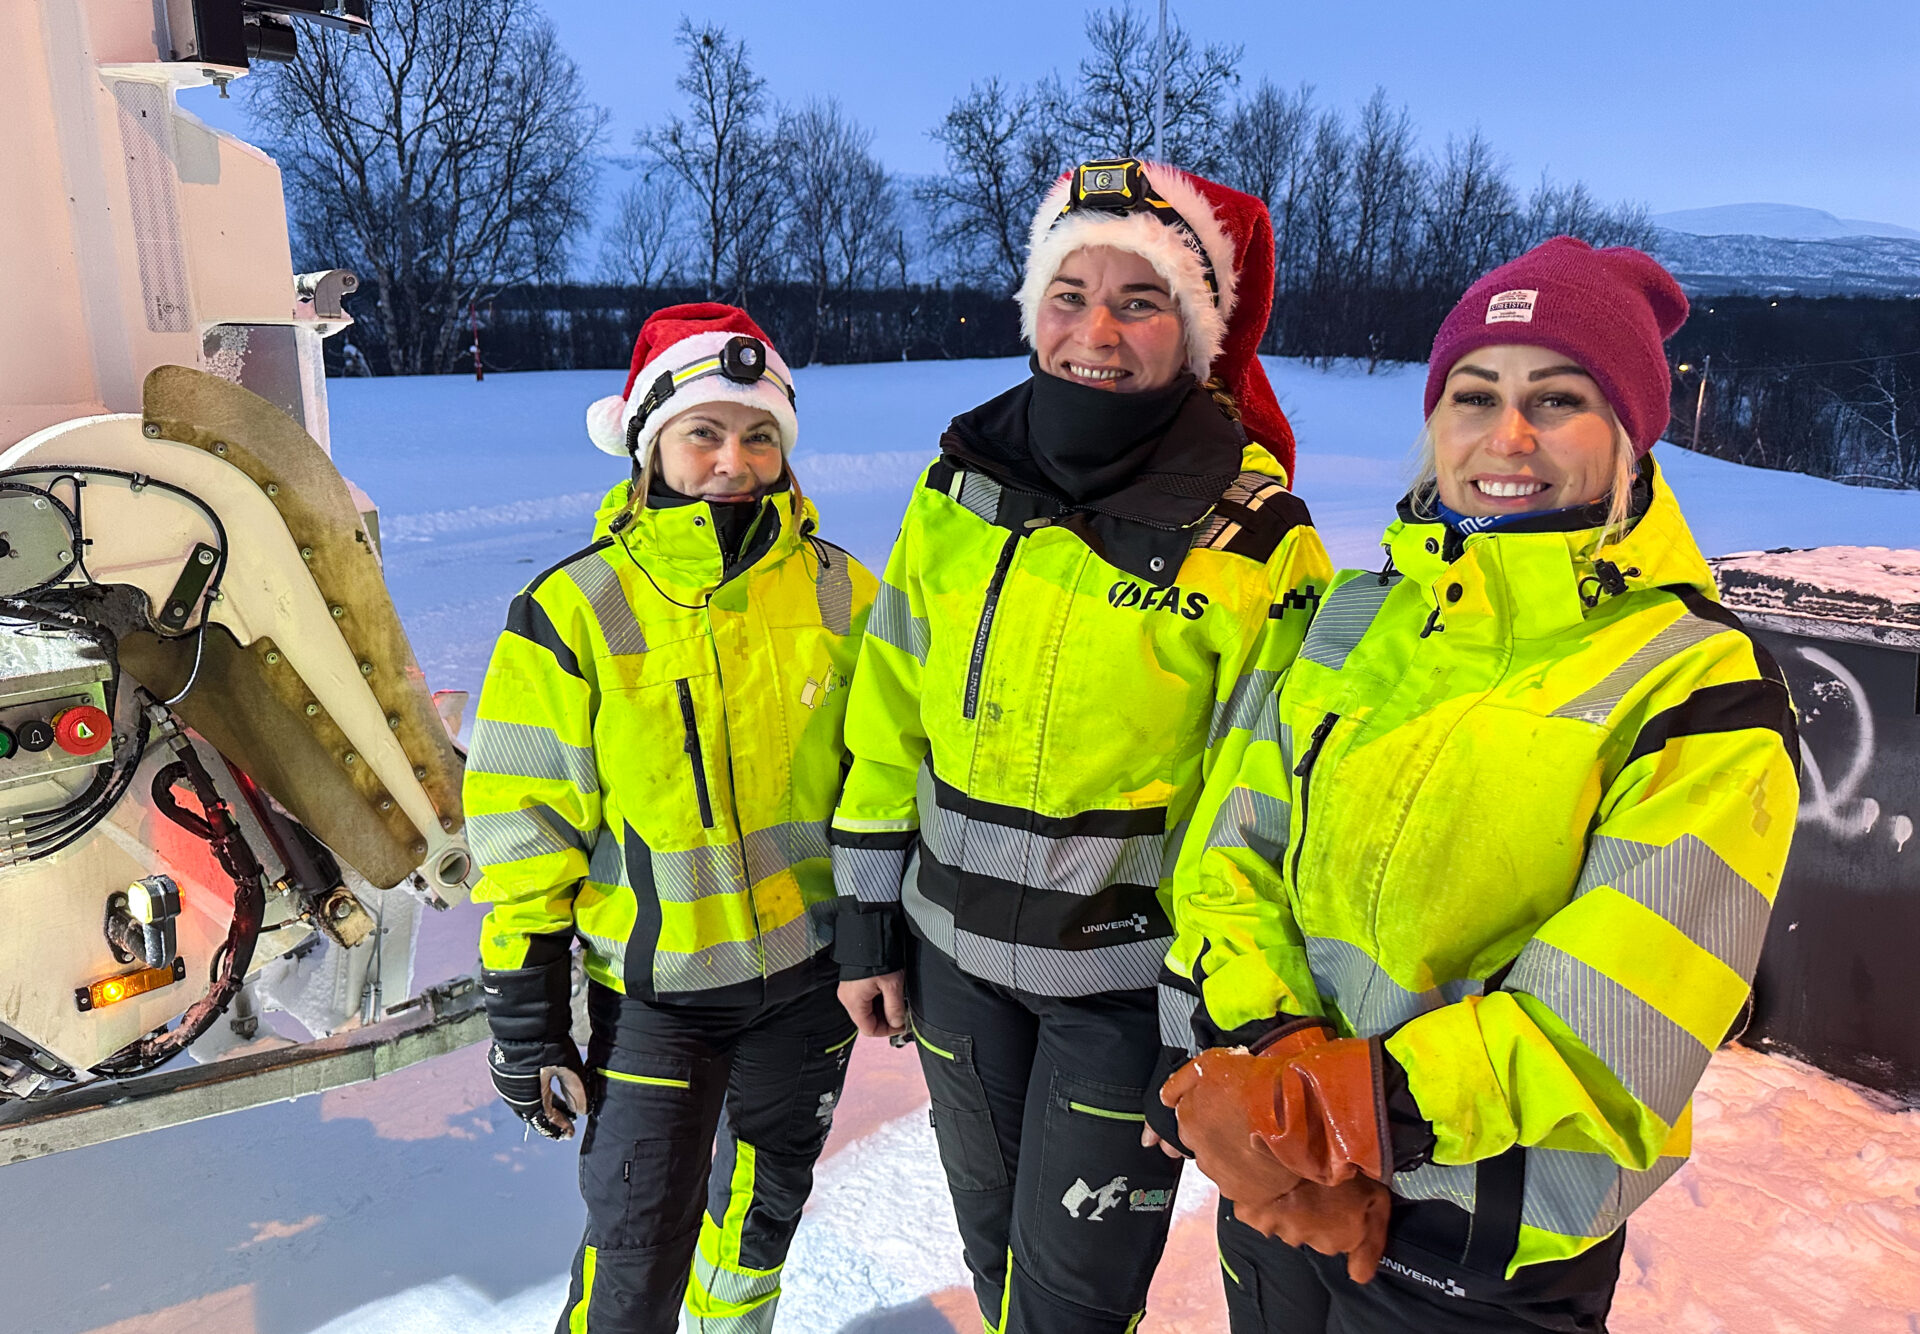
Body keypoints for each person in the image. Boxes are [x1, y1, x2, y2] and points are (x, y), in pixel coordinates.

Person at [1160, 237, 1801, 1333]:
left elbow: (1614, 1023)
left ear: (1630, 434)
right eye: (1474, 393)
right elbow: (1234, 854)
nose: (1507, 437)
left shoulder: (1697, 684)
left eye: (1558, 399)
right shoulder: (1358, 619)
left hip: (1480, 1255)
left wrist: (1332, 1112)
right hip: (1281, 1190)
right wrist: (1274, 1077)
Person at [829, 159, 1335, 1333]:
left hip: (1129, 997)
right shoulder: (960, 481)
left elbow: (1257, 810)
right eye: (1069, 293)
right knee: (997, 1253)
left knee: (1072, 1303)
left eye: (1140, 299)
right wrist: (867, 919)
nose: (1095, 331)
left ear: (1196, 330)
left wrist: (1204, 1011)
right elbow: (888, 712)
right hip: (951, 964)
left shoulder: (1258, 540)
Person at [466, 303, 877, 1334]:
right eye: (703, 432)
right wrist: (526, 1012)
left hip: (807, 982)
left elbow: (885, 783)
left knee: (759, 1217)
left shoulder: (844, 592)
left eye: (758, 434)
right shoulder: (574, 607)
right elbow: (523, 827)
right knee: (636, 1243)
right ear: (652, 443)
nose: (732, 460)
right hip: (658, 996)